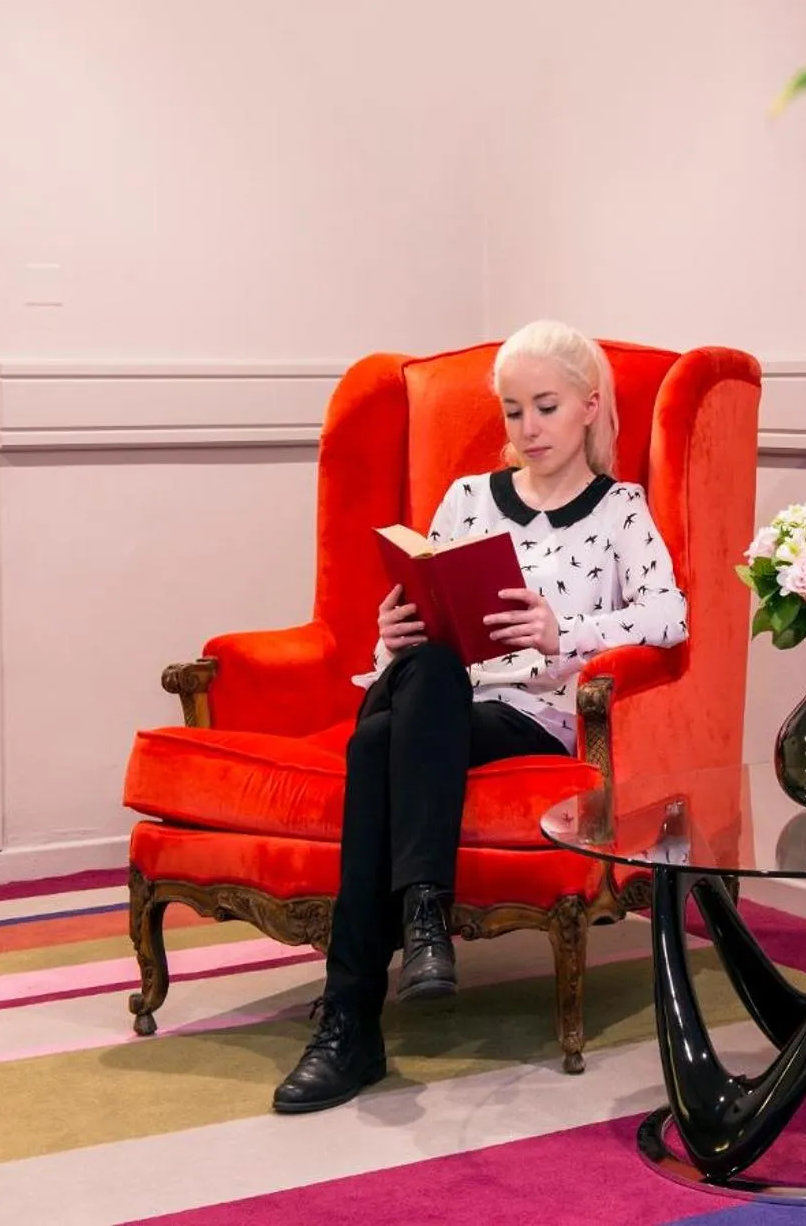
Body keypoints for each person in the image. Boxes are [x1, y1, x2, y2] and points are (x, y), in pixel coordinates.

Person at [272, 321, 688, 1114]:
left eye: (545, 408)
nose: (527, 430)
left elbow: (671, 614)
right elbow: (426, 602)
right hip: (441, 687)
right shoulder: (466, 500)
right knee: (425, 663)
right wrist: (390, 630)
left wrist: (565, 633)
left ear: (588, 406)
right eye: (512, 412)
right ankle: (421, 916)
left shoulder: (620, 512)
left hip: (530, 712)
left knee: (377, 743)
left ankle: (352, 1017)